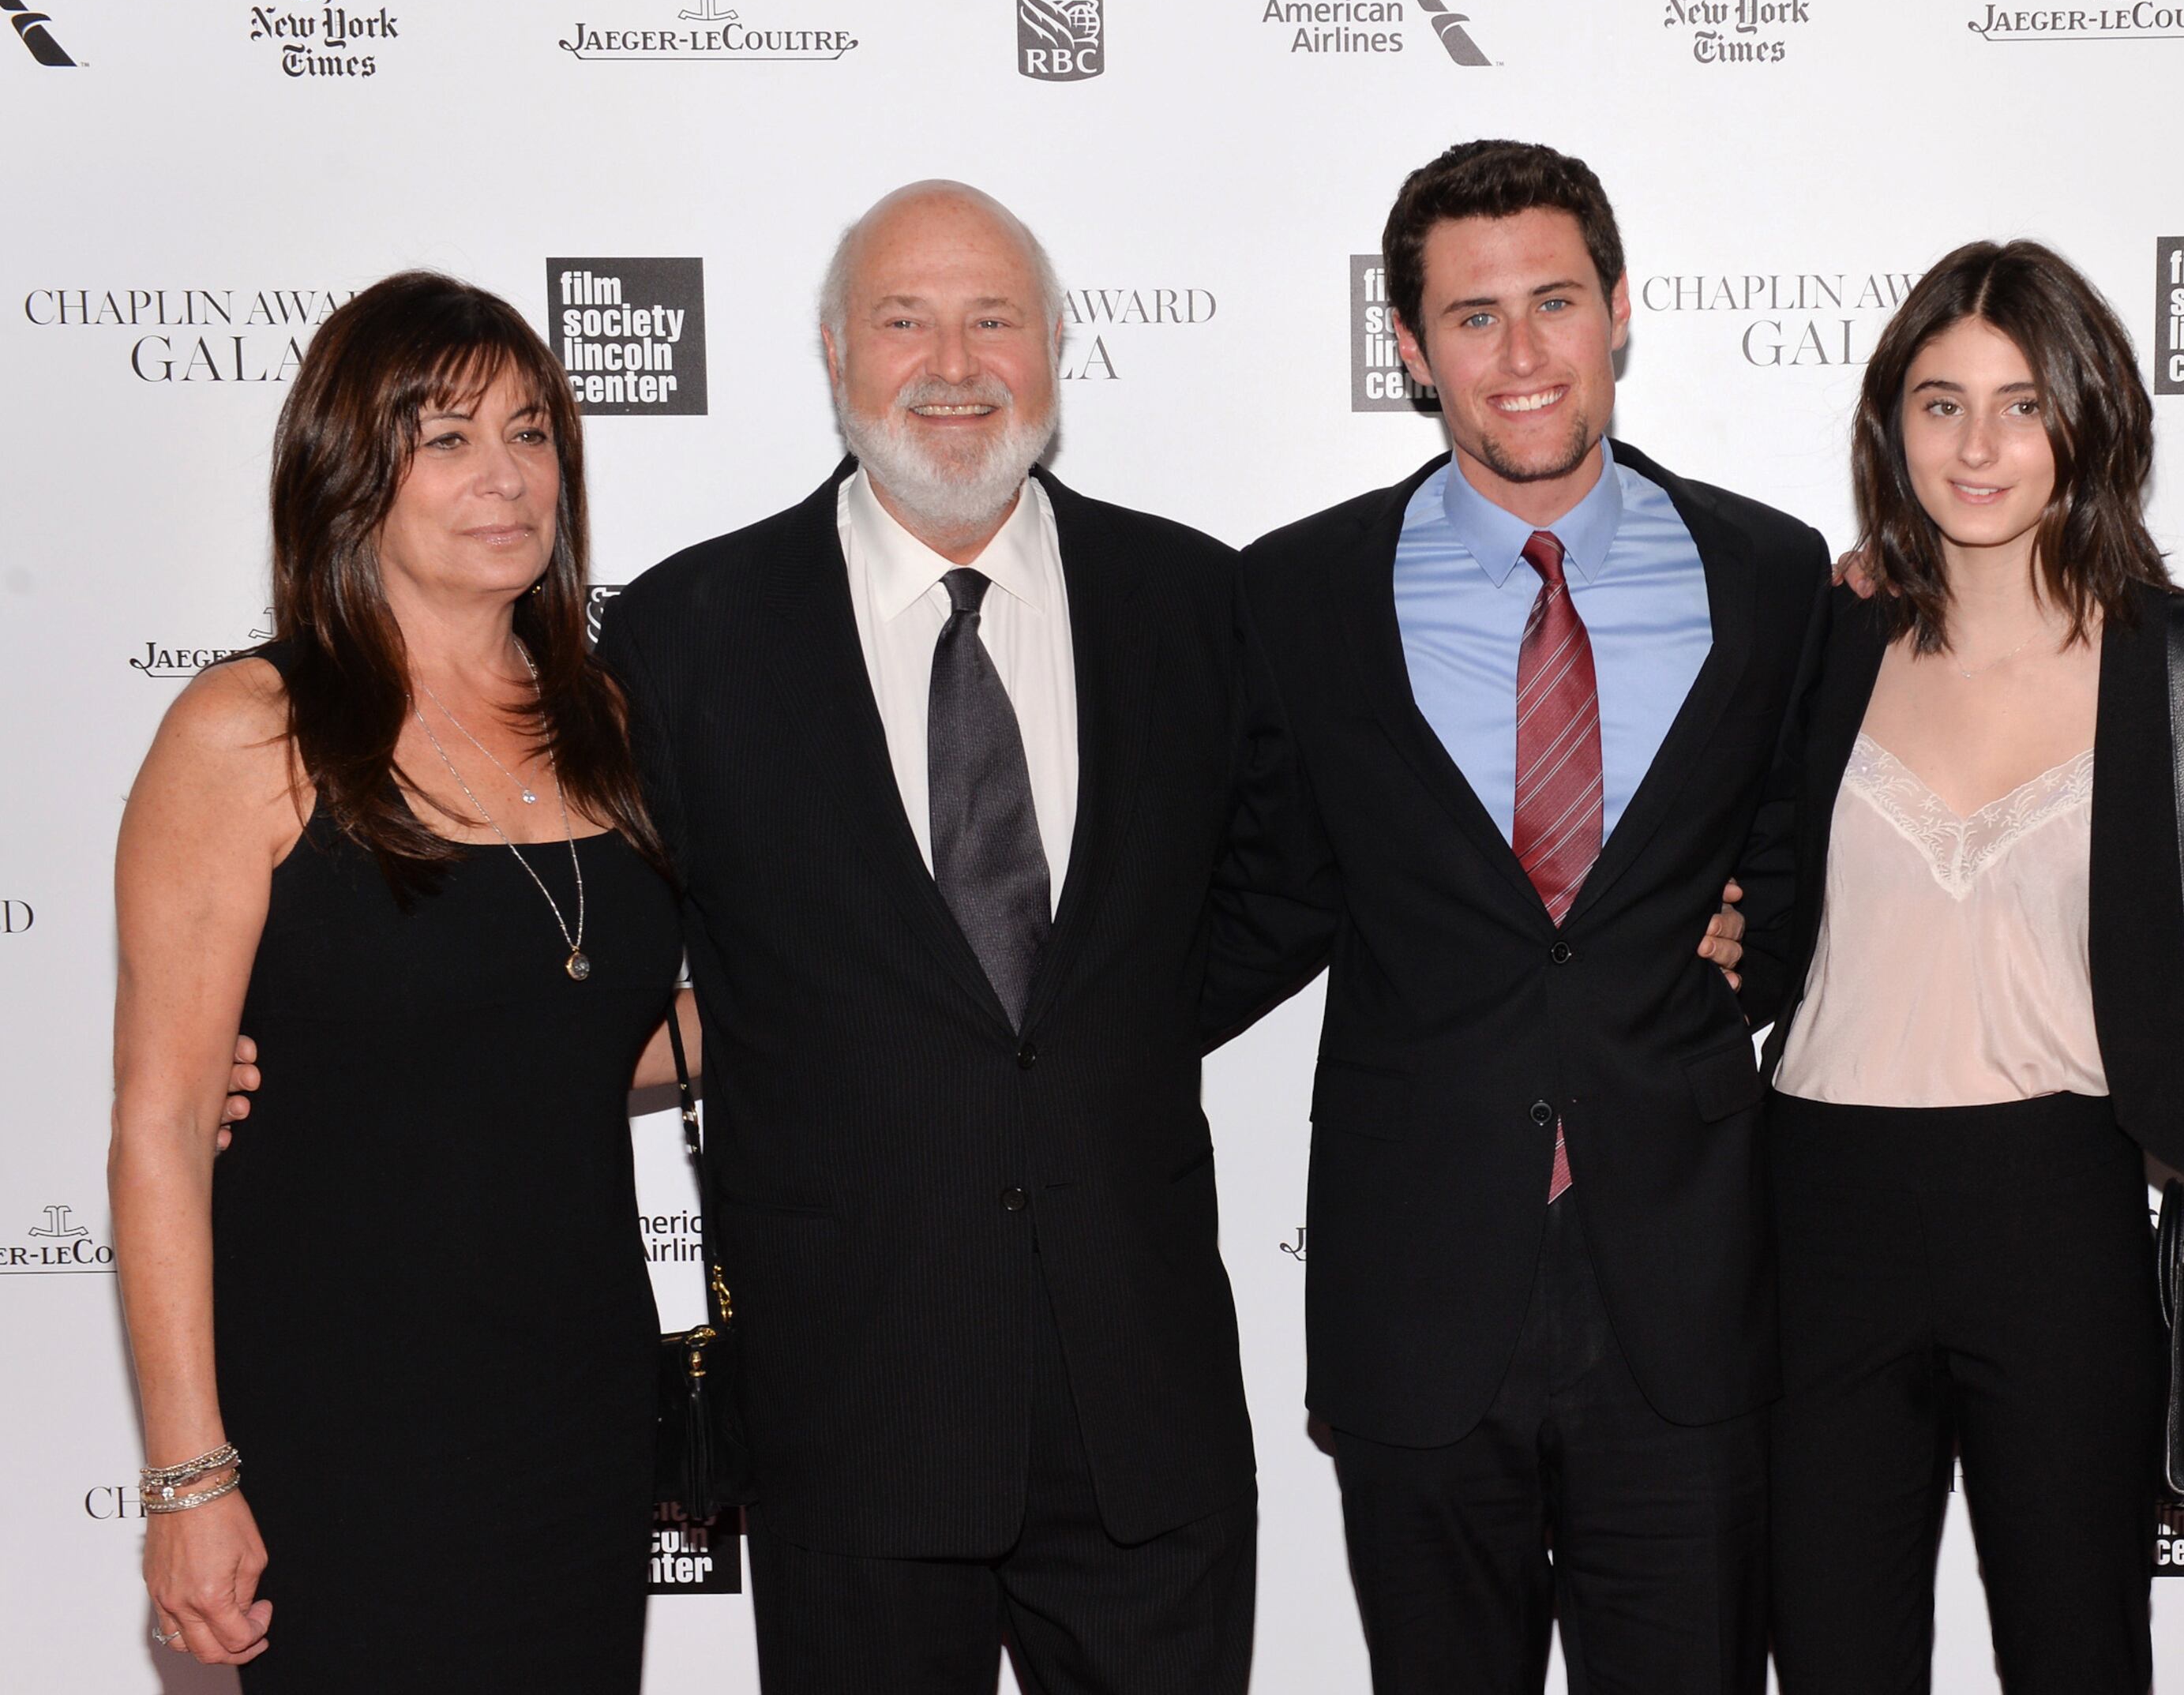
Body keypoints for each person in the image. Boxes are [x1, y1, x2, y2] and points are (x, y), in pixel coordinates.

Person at [595, 181, 1269, 1693]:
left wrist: (1127, 1019)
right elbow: (591, 958)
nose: (952, 363)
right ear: (837, 355)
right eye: (906, 320)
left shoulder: (1193, 603)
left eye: (994, 319)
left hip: (1143, 1408)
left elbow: (1287, 878)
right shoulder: (688, 634)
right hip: (852, 1414)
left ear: (1054, 351)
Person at [1206, 139, 1826, 1693]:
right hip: (1417, 1304)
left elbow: (1808, 859)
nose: (1523, 353)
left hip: (1684, 1295)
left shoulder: (1769, 573)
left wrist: (1755, 942)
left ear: (1619, 309)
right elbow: (1257, 895)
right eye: (1473, 317)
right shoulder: (1297, 597)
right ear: (1410, 349)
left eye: (1555, 301)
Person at [109, 271, 686, 1689]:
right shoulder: (253, 729)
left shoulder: (607, 721)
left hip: (577, 1405)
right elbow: (164, 1126)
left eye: (535, 431)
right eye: (449, 440)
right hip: (343, 1422)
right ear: (351, 473)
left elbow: (570, 1041)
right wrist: (190, 1476)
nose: (509, 477)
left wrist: (830, 1008)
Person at [1754, 240, 2184, 1694]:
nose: (1978, 445)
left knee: (2078, 1651)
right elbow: (1738, 888)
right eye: (1939, 402)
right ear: (1889, 425)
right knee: (1834, 1654)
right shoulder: (1820, 638)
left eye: (2023, 403)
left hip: (2059, 1210)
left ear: (2089, 419)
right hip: (1818, 1209)